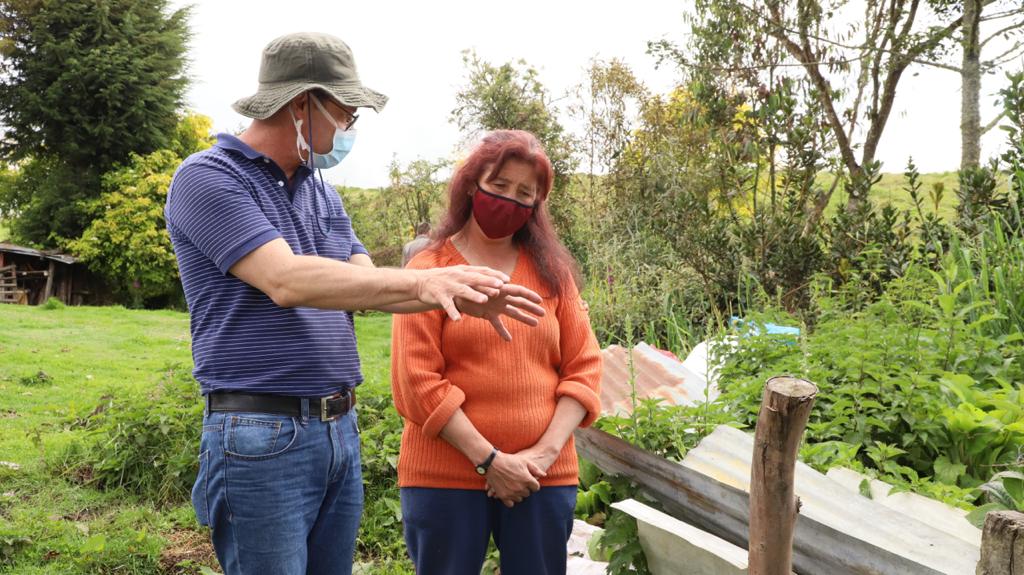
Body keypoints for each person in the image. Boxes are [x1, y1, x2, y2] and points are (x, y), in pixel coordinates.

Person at [164, 33, 545, 575]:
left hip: (337, 428)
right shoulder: (208, 178)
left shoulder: (319, 190)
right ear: (301, 104)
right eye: (344, 114)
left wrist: (454, 291)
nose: (348, 130)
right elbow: (285, 279)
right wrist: (423, 284)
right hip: (262, 430)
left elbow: (366, 283)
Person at [391, 130, 603, 575]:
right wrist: (490, 461)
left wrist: (542, 456)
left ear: (537, 204)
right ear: (472, 184)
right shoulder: (429, 271)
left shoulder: (553, 275)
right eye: (500, 186)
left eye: (525, 193)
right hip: (444, 478)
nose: (510, 200)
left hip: (542, 479)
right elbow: (416, 383)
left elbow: (583, 369)